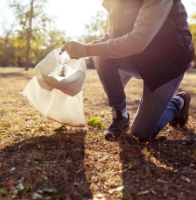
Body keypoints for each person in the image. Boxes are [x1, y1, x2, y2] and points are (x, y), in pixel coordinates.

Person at [61, 0, 194, 141]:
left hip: (168, 63)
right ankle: (120, 116)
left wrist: (87, 50)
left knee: (142, 132)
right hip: (140, 58)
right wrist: (82, 48)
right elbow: (114, 37)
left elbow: (138, 40)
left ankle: (179, 102)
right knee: (100, 53)